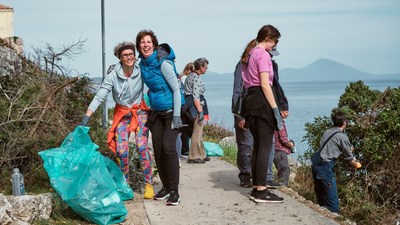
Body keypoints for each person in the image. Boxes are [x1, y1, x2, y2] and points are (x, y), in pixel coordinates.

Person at [79, 41, 154, 199]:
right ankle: (124, 185)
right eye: (125, 55)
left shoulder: (140, 69)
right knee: (121, 150)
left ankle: (149, 184)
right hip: (122, 113)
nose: (129, 57)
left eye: (131, 54)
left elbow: (155, 76)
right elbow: (100, 96)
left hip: (139, 111)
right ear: (120, 58)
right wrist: (87, 116)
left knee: (141, 146)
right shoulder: (113, 76)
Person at [136, 29, 185, 206]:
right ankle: (165, 187)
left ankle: (174, 191)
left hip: (172, 111)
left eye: (148, 42)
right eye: (142, 42)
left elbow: (176, 90)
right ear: (139, 46)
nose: (146, 45)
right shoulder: (142, 64)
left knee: (168, 148)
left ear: (154, 44)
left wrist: (178, 116)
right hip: (156, 112)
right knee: (157, 149)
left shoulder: (163, 63)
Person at [241, 24, 284, 203]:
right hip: (262, 102)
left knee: (258, 146)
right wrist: (275, 110)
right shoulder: (263, 55)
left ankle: (256, 188)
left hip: (251, 101)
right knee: (265, 147)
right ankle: (261, 190)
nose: (275, 45)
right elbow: (265, 84)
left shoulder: (251, 54)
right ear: (268, 38)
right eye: (275, 41)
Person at [311, 110, 362, 213]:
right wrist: (357, 165)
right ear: (344, 123)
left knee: (322, 197)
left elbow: (329, 147)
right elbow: (349, 158)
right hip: (326, 166)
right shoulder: (342, 137)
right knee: (332, 201)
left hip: (316, 164)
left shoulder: (328, 131)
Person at [183, 58, 210, 164]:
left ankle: (202, 154)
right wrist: (200, 111)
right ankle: (193, 156)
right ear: (201, 67)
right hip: (194, 105)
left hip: (188, 104)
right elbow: (195, 96)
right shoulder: (196, 77)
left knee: (197, 131)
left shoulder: (190, 75)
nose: (206, 69)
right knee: (197, 132)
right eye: (205, 67)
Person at [232, 61, 253, 187]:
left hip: (258, 110)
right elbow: (237, 91)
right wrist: (239, 116)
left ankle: (257, 174)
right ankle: (245, 175)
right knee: (246, 146)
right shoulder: (242, 65)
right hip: (244, 111)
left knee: (256, 146)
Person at [273, 104, 295, 187]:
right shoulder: (280, 122)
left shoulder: (274, 121)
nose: (287, 114)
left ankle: (281, 184)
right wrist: (291, 145)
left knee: (281, 170)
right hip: (280, 150)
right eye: (286, 112)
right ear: (281, 112)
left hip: (275, 148)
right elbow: (283, 139)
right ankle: (283, 187)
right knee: (285, 169)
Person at [178, 62, 194, 158]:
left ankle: (185, 149)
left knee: (185, 128)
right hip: (185, 105)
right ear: (187, 70)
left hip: (184, 105)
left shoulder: (184, 78)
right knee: (186, 128)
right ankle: (185, 150)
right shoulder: (184, 78)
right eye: (191, 70)